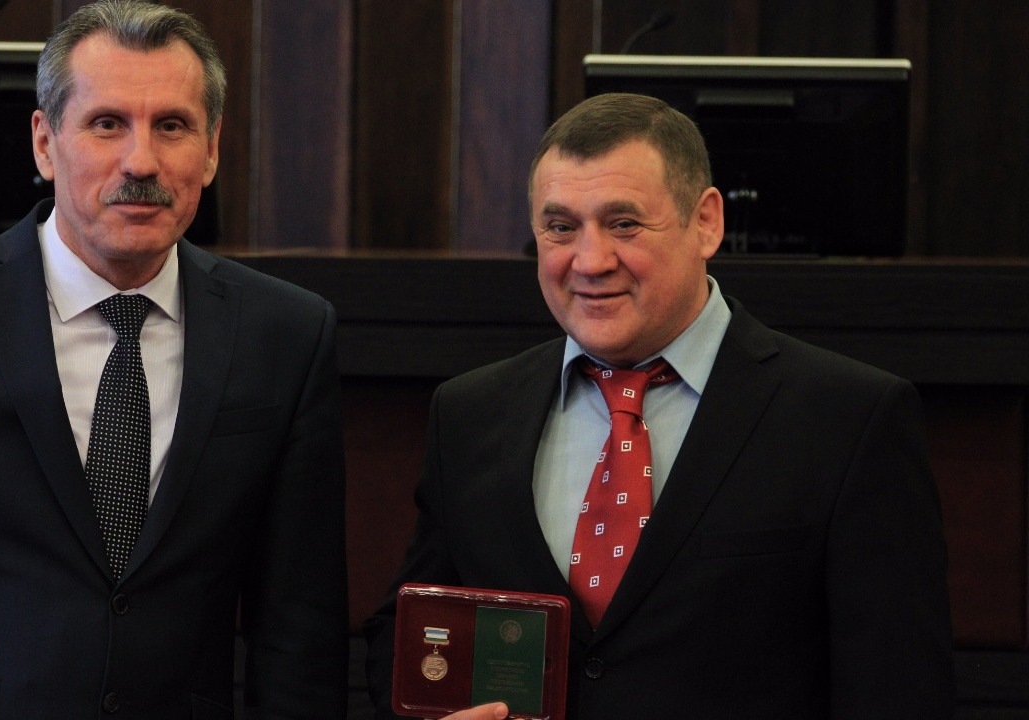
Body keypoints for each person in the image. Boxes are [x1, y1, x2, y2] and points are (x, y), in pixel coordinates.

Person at [0, 1, 348, 717]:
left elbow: (299, 637)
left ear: (212, 149)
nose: (142, 161)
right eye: (107, 124)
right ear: (45, 144)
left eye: (172, 126)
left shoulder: (285, 334)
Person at [364, 93, 954, 719]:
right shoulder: (469, 414)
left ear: (706, 223)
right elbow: (409, 634)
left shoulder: (849, 418)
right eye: (560, 227)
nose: (590, 261)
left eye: (624, 223)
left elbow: (898, 690)